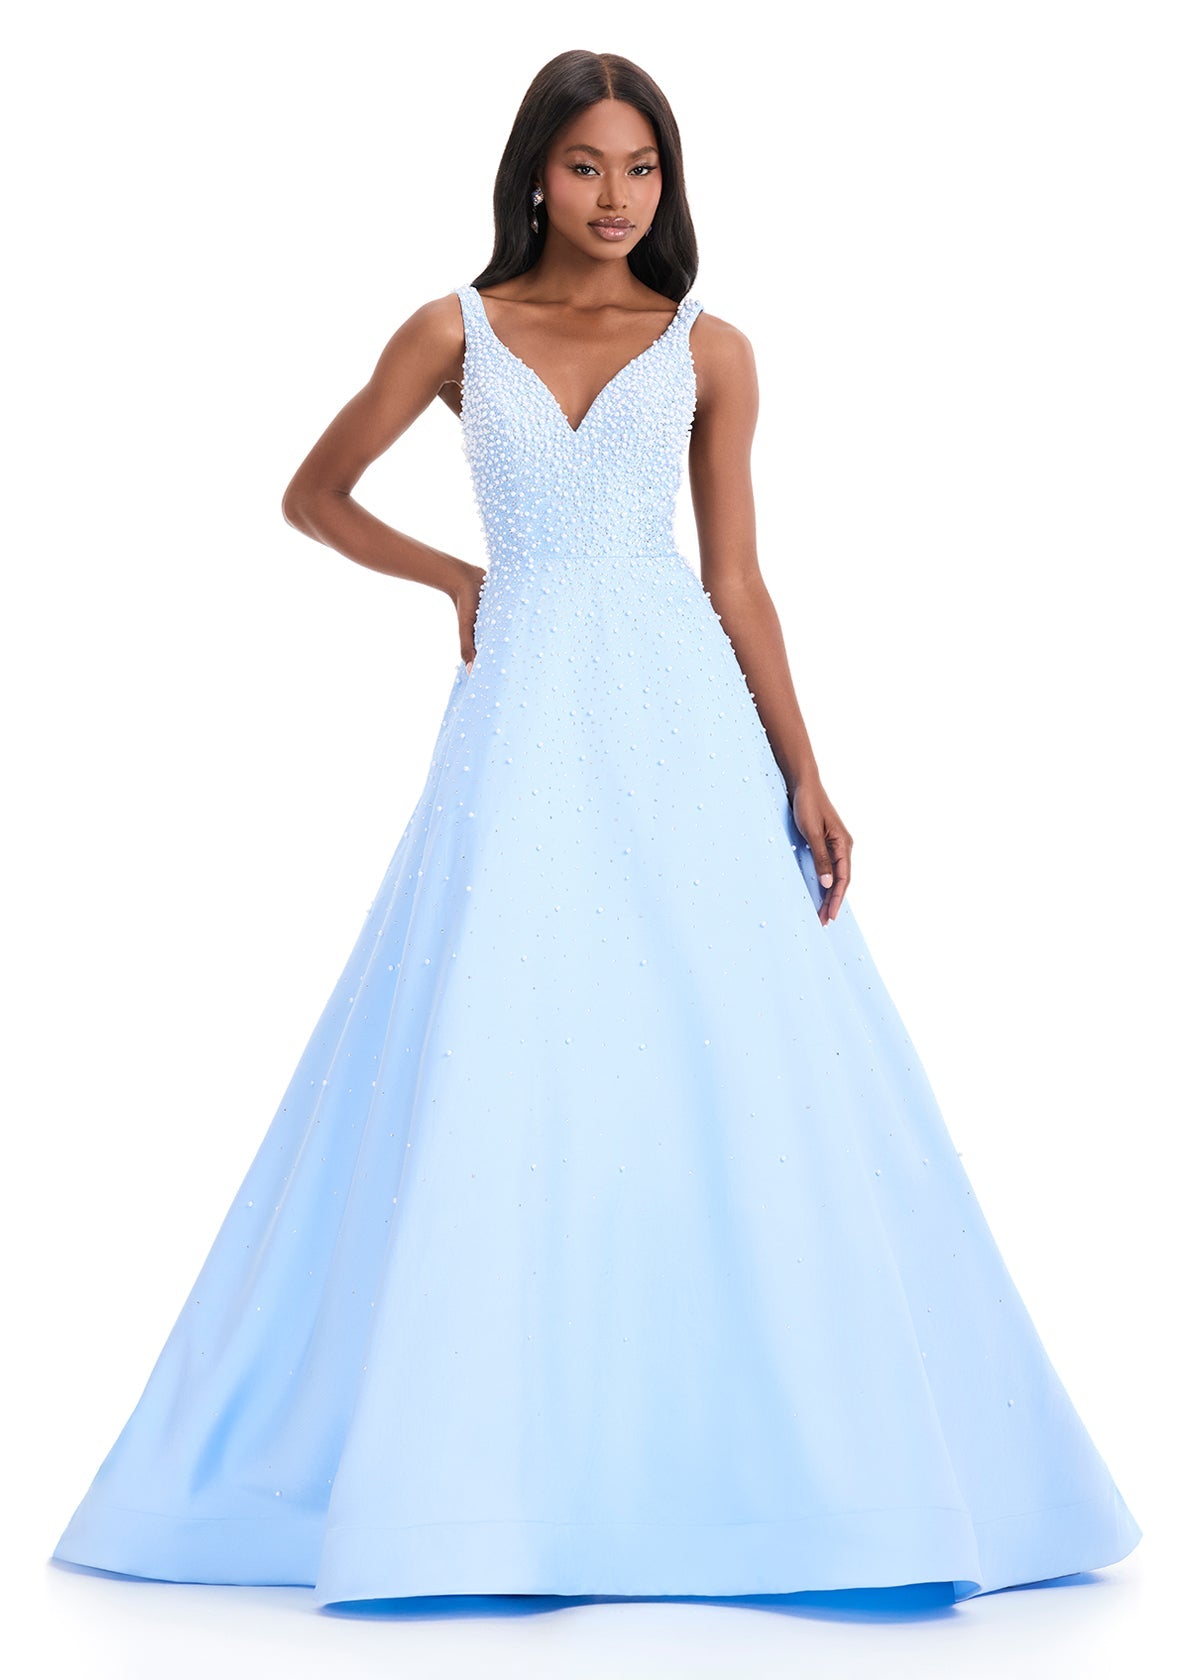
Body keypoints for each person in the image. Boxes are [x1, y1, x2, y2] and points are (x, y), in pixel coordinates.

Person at [51, 48, 1141, 1611]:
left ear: (666, 181)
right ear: (535, 175)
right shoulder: (453, 330)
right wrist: (451, 576)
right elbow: (314, 495)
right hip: (523, 721)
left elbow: (737, 578)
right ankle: (482, 1479)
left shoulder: (712, 349)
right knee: (504, 1032)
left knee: (728, 1039)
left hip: (682, 716)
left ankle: (779, 1466)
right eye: (586, 166)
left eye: (642, 167)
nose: (617, 196)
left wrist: (807, 772)